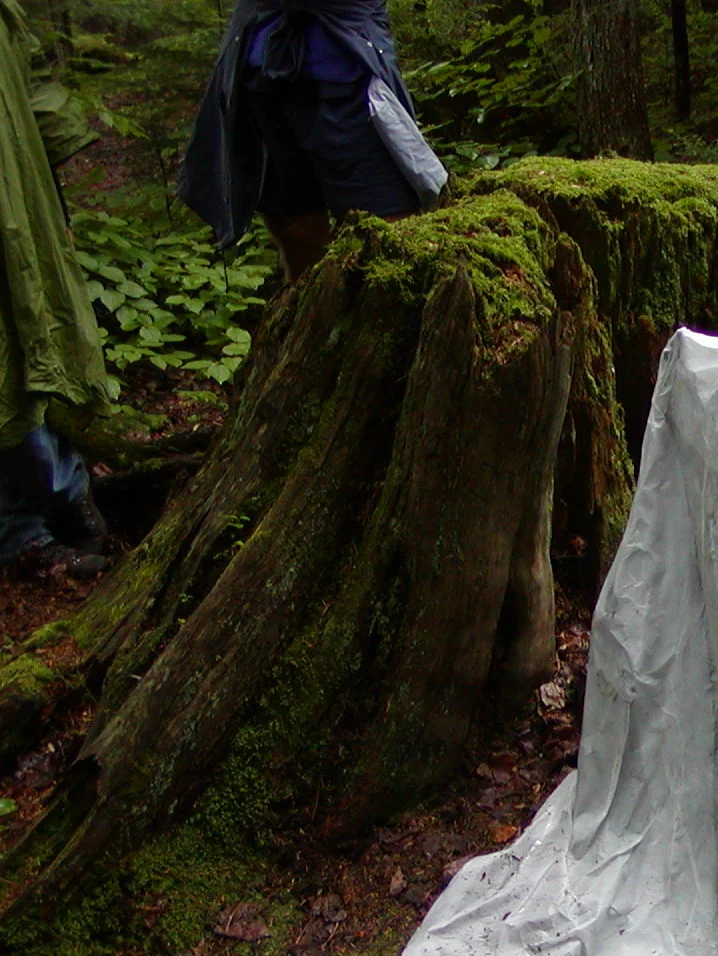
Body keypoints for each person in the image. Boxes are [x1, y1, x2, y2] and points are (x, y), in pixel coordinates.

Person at [179, 0, 445, 280]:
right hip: (264, 82)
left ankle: (392, 316)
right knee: (295, 231)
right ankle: (313, 315)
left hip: (350, 83)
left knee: (385, 231)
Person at [0, 0, 114, 578]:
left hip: (19, 197)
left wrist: (53, 171)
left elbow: (27, 72)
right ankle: (20, 534)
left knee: (35, 345)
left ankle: (68, 493)